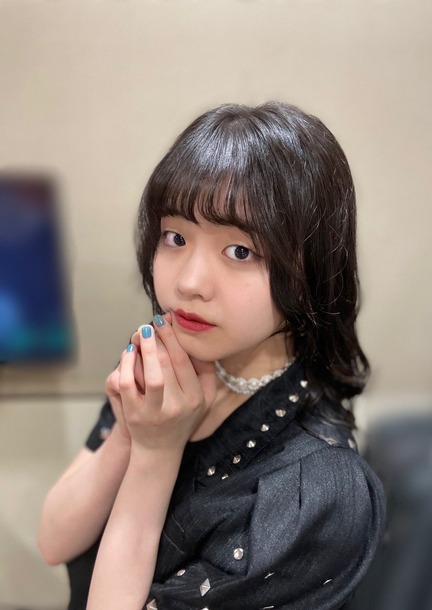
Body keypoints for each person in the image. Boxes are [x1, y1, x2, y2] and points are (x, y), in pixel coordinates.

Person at [38, 102, 385, 610]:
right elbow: (54, 541)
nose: (189, 282)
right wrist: (129, 433)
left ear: (311, 267)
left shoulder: (318, 493)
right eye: (175, 237)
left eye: (240, 251)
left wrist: (156, 454)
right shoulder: (169, 360)